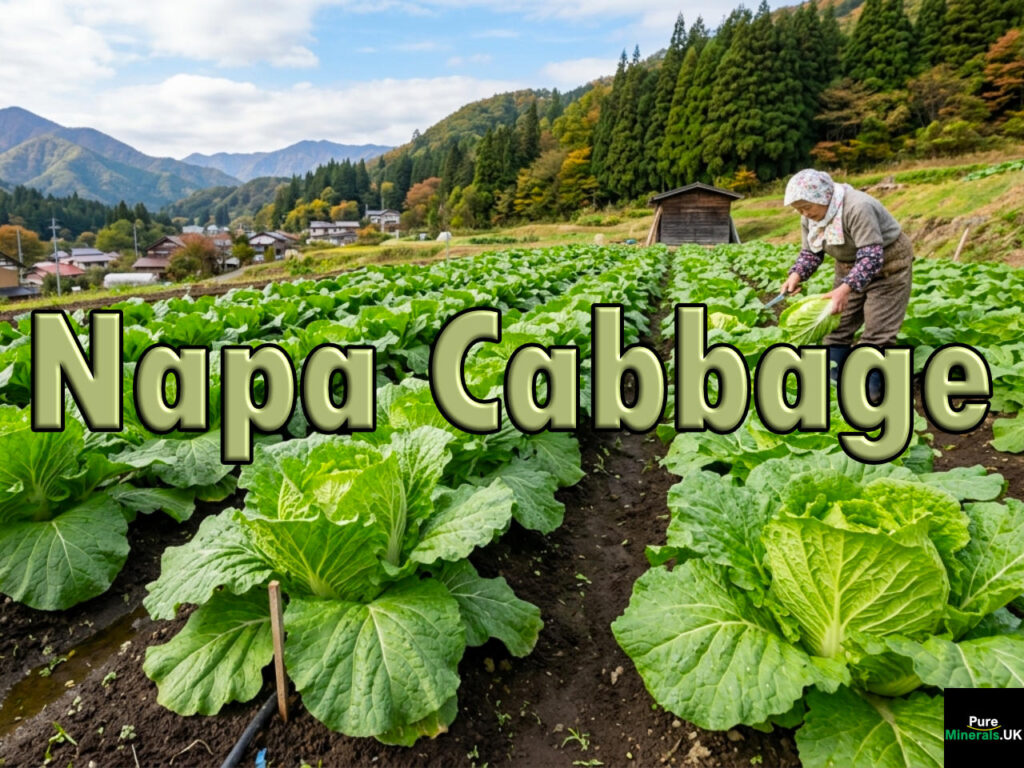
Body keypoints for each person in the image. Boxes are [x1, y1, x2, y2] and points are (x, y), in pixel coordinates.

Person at [780, 168, 913, 397]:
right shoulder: (809, 218)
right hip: (847, 266)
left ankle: (869, 394)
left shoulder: (857, 207)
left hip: (888, 267)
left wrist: (845, 289)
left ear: (823, 197)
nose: (804, 213)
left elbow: (871, 257)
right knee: (837, 327)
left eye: (807, 206)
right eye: (798, 209)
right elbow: (811, 253)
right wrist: (796, 274)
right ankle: (831, 387)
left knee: (877, 333)